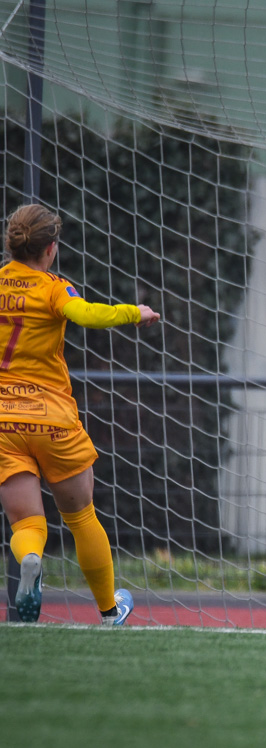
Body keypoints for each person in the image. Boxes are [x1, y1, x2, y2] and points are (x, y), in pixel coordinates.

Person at [0, 203, 160, 625]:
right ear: (50, 249)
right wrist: (135, 313)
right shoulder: (53, 288)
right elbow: (86, 314)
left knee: (26, 523)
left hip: (3, 422)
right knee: (81, 515)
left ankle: (31, 560)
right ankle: (109, 611)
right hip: (51, 418)